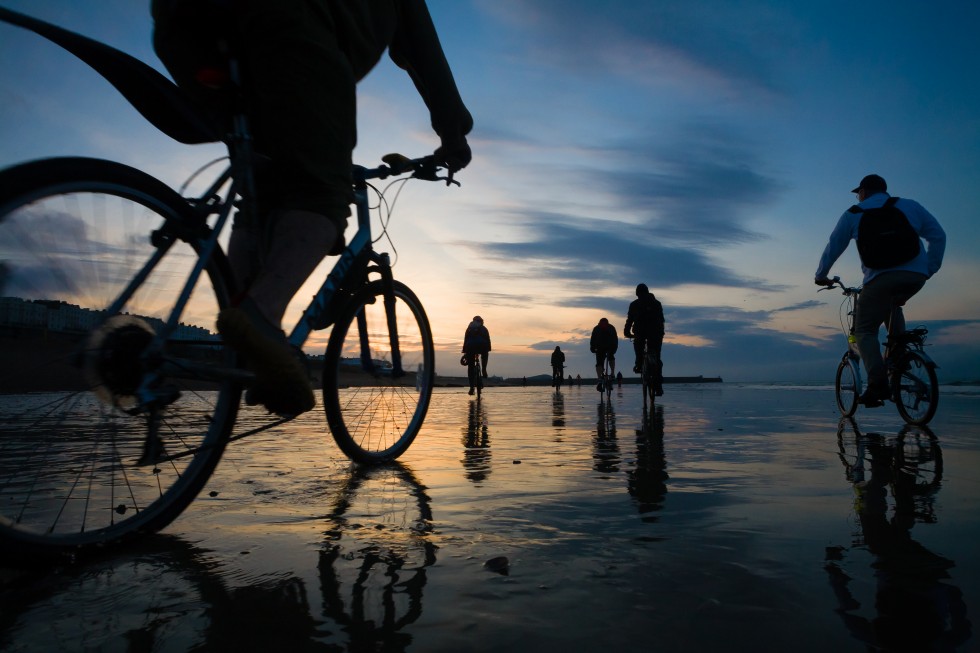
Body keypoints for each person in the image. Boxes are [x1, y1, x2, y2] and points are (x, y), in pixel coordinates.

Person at [151, 0, 473, 417]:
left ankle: (244, 348)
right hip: (287, 21)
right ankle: (260, 316)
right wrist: (453, 132)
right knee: (320, 193)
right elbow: (421, 45)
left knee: (262, 194)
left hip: (186, 32)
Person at [815, 174, 945, 405]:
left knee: (864, 330)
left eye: (858, 193)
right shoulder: (909, 205)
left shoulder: (854, 213)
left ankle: (878, 385)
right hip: (916, 277)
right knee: (891, 304)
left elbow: (833, 246)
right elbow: (938, 236)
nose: (858, 196)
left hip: (880, 279)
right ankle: (898, 356)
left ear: (863, 192)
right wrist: (929, 269)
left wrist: (820, 276)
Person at [624, 283, 665, 396]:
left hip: (640, 332)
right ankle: (658, 386)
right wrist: (661, 333)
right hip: (656, 333)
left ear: (637, 293)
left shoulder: (634, 304)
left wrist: (627, 332)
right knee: (656, 357)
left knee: (638, 347)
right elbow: (661, 320)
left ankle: (638, 364)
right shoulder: (656, 303)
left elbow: (629, 320)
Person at [462, 316, 491, 395]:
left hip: (470, 348)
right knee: (485, 354)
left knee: (471, 367)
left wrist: (465, 352)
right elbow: (488, 340)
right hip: (482, 347)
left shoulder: (469, 328)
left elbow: (466, 340)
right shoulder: (484, 329)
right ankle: (484, 369)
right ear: (481, 322)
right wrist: (488, 349)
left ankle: (471, 387)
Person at [590, 317, 618, 391]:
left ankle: (600, 379)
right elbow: (615, 339)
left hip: (602, 348)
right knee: (610, 358)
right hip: (607, 348)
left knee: (599, 363)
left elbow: (592, 339)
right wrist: (615, 348)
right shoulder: (610, 327)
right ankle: (612, 374)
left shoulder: (597, 328)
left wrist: (592, 348)